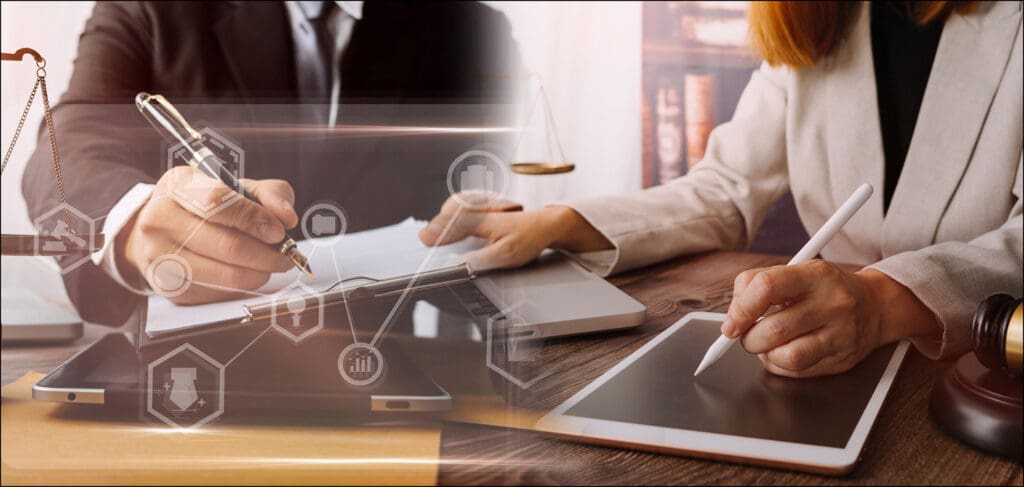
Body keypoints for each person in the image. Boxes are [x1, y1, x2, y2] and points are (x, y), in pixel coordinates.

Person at [420, 1, 1023, 377]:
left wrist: (883, 301)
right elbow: (726, 188)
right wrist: (560, 222)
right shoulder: (821, 17)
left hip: (981, 372)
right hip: (822, 369)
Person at [22, 1, 518, 325]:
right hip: (182, 366)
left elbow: (466, 201)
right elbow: (69, 138)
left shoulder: (469, 30)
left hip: (382, 365)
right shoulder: (150, 8)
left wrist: (484, 235)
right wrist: (131, 225)